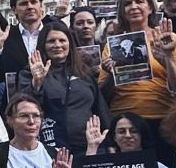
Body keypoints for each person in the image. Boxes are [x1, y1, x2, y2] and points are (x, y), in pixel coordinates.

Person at [97, 0, 176, 124]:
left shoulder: (168, 38)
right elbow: (102, 95)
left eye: (139, 2)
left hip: (165, 117)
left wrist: (168, 58)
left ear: (150, 8)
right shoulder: (113, 45)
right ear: (123, 12)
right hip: (125, 120)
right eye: (128, 4)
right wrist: (110, 74)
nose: (133, 6)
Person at [16, 25, 108, 154]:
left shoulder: (83, 72)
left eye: (62, 40)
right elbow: (23, 108)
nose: (57, 45)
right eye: (51, 41)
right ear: (43, 45)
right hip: (50, 148)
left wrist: (110, 142)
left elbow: (100, 108)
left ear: (70, 43)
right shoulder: (29, 73)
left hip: (89, 147)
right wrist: (37, 83)